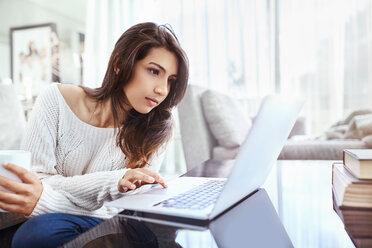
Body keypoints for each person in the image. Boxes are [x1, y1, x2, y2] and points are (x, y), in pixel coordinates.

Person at [0, 22, 188, 247]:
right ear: (120, 64)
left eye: (170, 81)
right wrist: (114, 182)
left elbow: (127, 208)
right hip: (64, 221)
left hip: (116, 222)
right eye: (154, 71)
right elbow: (36, 182)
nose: (162, 90)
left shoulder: (158, 128)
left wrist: (44, 200)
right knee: (36, 235)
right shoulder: (55, 100)